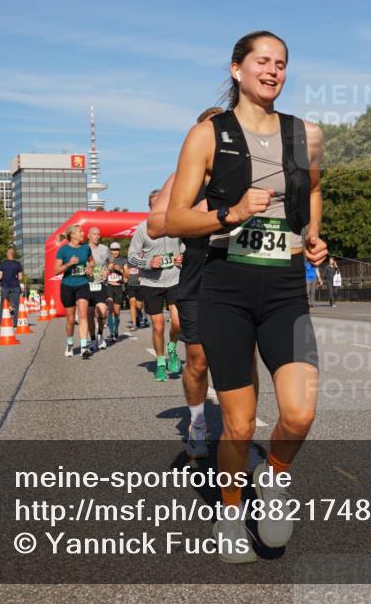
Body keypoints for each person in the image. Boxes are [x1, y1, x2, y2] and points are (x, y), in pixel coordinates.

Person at [165, 30, 327, 563]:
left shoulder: (307, 134)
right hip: (225, 286)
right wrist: (231, 213)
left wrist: (312, 235)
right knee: (237, 423)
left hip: (284, 286)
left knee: (300, 414)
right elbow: (172, 218)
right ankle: (231, 510)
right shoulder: (208, 135)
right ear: (237, 69)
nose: (273, 70)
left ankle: (273, 477)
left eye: (282, 63)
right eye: (263, 61)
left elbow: (316, 190)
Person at [148, 106, 260, 460]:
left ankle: (240, 429)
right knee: (197, 360)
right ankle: (197, 420)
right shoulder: (182, 176)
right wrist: (215, 215)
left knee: (244, 358)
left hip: (245, 268)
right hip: (199, 270)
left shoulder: (250, 170)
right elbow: (155, 225)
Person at [129, 190, 183, 382]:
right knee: (158, 327)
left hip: (174, 279)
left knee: (178, 323)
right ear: (150, 207)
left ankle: (172, 348)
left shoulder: (175, 225)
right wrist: (147, 263)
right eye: (155, 205)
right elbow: (131, 256)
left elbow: (185, 246)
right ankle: (161, 362)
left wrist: (182, 256)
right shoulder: (142, 229)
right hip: (151, 283)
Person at [54, 224, 94, 359]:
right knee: (70, 319)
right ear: (72, 235)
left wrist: (90, 268)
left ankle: (84, 347)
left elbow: (92, 261)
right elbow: (56, 270)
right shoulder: (63, 250)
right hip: (67, 286)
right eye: (80, 232)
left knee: (83, 315)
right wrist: (69, 264)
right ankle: (70, 343)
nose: (83, 233)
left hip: (82, 284)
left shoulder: (86, 248)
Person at [86, 227, 111, 351]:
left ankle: (100, 335)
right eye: (94, 234)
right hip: (87, 285)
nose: (97, 236)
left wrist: (108, 271)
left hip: (101, 284)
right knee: (90, 314)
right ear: (89, 236)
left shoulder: (105, 249)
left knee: (103, 309)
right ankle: (92, 339)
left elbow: (111, 262)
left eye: (99, 234)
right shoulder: (83, 249)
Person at [105, 242, 127, 341]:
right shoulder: (106, 261)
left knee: (117, 312)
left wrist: (121, 270)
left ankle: (116, 331)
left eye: (117, 249)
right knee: (110, 310)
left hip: (118, 288)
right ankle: (111, 333)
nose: (115, 251)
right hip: (109, 286)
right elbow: (100, 272)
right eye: (113, 250)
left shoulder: (123, 260)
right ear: (110, 251)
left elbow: (128, 276)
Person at [0, 248, 23, 319]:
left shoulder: (2, 264)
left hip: (5, 286)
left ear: (7, 254)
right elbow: (20, 277)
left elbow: (0, 276)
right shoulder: (18, 264)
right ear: (13, 254)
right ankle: (16, 322)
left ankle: (1, 320)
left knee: (3, 304)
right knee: (16, 305)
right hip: (15, 286)